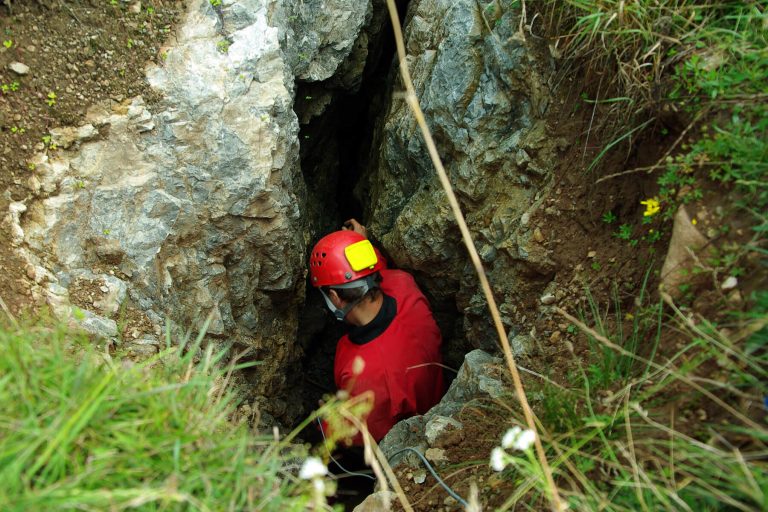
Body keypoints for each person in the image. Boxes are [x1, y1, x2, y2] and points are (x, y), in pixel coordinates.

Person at [309, 219, 444, 443]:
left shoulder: (366, 376)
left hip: (405, 436)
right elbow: (380, 275)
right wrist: (359, 243)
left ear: (334, 296)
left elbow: (360, 433)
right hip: (433, 391)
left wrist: (325, 423)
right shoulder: (403, 285)